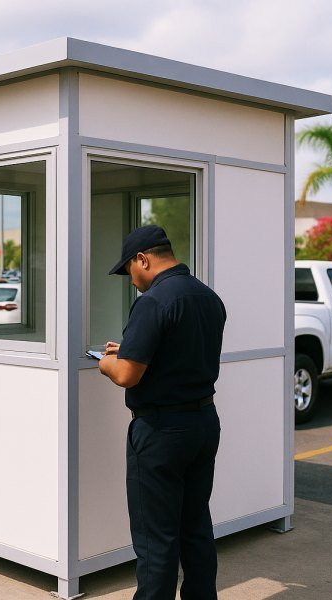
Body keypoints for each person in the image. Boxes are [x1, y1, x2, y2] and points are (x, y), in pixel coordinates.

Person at [97, 224, 226, 600]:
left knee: (156, 541)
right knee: (195, 527)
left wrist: (107, 361)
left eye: (129, 271)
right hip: (203, 424)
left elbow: (125, 374)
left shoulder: (153, 301)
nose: (131, 280)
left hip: (161, 431)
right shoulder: (207, 297)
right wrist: (133, 347)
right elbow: (180, 351)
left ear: (143, 259)